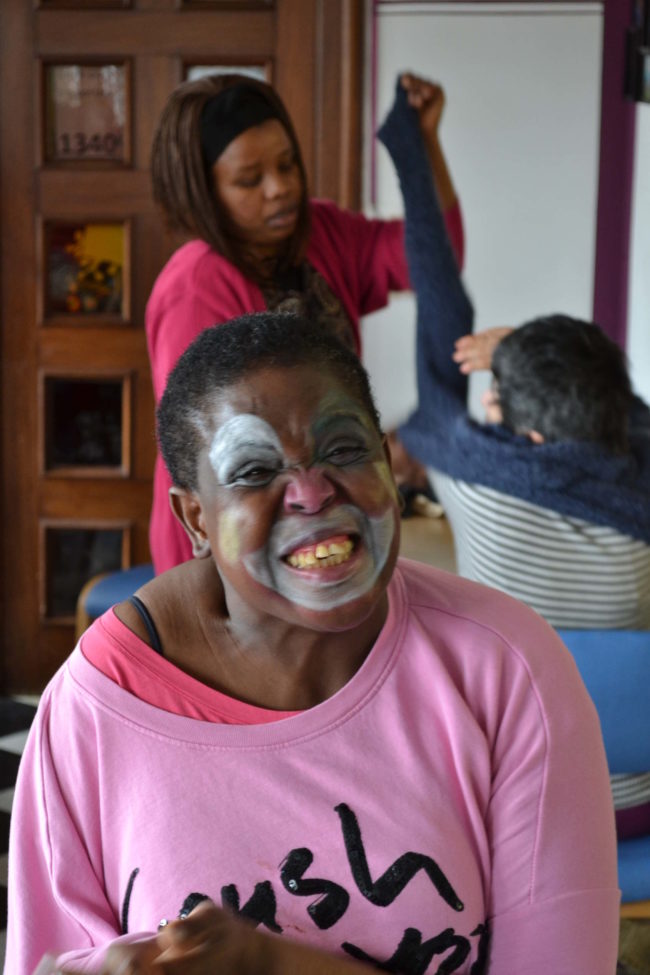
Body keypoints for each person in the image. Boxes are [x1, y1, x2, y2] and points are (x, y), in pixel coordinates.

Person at [5, 307, 618, 974]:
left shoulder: (504, 666)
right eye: (252, 471)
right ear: (197, 519)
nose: (311, 492)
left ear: (388, 464)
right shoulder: (95, 710)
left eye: (344, 450)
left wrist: (270, 965)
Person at [377, 79, 650, 838]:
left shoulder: (479, 481)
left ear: (525, 439)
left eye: (496, 398)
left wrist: (411, 148)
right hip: (636, 810)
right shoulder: (639, 495)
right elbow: (630, 417)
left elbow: (443, 317)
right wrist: (532, 353)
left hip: (521, 815)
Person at [146, 70, 463, 575]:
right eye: (250, 180)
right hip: (227, 536)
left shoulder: (323, 234)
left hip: (309, 510)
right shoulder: (195, 288)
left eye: (287, 164)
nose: (280, 188)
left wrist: (422, 148)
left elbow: (433, 259)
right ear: (203, 191)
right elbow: (211, 451)